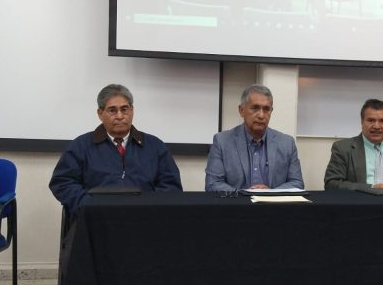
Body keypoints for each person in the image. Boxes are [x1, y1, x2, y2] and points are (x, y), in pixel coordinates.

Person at [49, 84, 182, 216]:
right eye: (112, 110)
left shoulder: (154, 146)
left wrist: (149, 206)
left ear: (132, 110)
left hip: (145, 219)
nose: (119, 116)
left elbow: (171, 185)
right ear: (100, 113)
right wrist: (88, 205)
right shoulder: (81, 146)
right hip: (95, 219)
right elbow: (62, 182)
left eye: (124, 109)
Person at [205, 85, 303, 192]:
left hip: (273, 203)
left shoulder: (287, 143)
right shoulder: (222, 142)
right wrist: (245, 195)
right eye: (255, 108)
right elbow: (213, 184)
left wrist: (270, 193)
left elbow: (297, 183)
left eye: (266, 109)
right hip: (237, 202)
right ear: (241, 110)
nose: (261, 115)